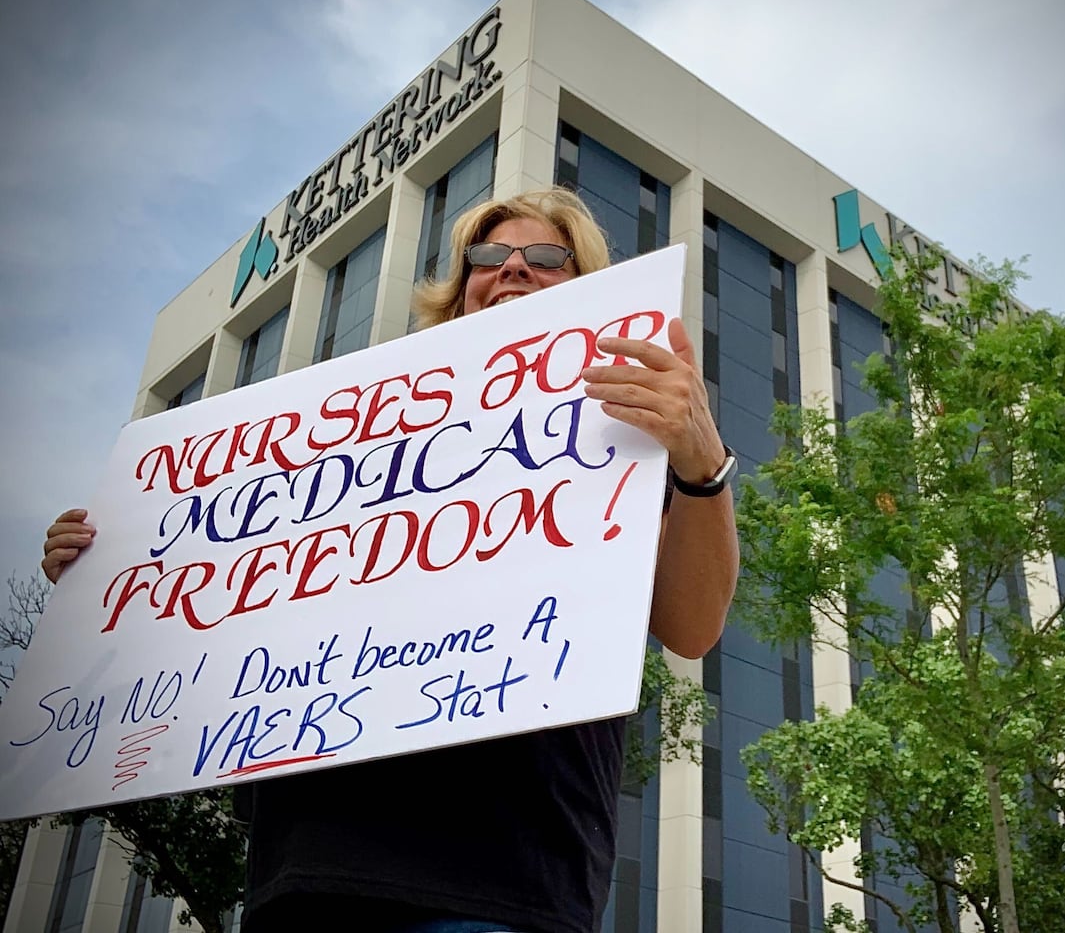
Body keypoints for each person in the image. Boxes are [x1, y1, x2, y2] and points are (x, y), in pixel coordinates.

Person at [41, 188, 739, 933]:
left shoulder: (627, 426)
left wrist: (701, 462)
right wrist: (106, 571)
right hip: (307, 868)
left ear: (586, 285)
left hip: (507, 873)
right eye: (487, 258)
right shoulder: (350, 430)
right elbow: (215, 604)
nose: (511, 270)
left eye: (544, 257)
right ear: (459, 287)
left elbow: (692, 627)